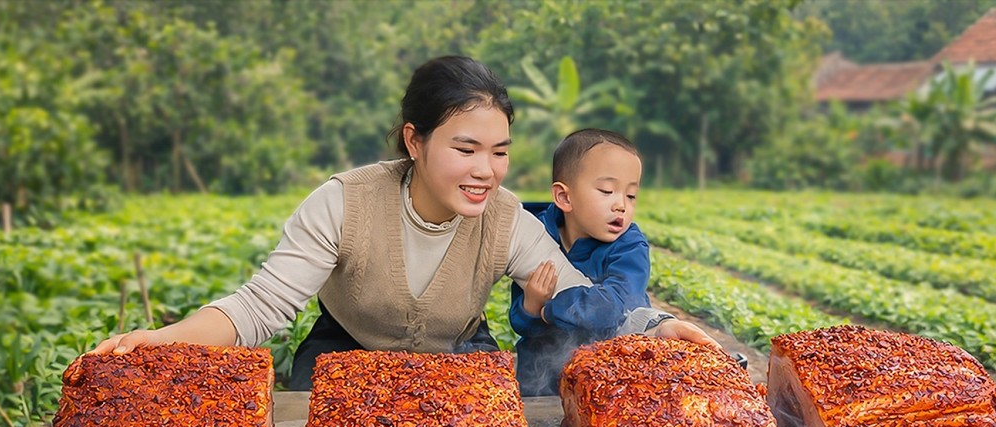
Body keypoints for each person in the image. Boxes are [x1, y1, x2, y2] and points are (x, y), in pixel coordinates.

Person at [93, 56, 717, 386]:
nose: (486, 171)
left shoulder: (507, 222)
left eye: (499, 152)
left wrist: (661, 329)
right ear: (414, 141)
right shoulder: (343, 202)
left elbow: (586, 296)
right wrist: (168, 339)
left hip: (462, 358)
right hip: (345, 352)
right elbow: (258, 310)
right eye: (465, 149)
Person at [509, 128, 657, 396]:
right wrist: (530, 307)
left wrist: (548, 309)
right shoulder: (535, 235)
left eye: (631, 195)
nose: (621, 205)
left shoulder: (629, 247)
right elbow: (522, 325)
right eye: (607, 190)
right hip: (539, 381)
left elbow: (619, 306)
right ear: (565, 197)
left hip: (604, 380)